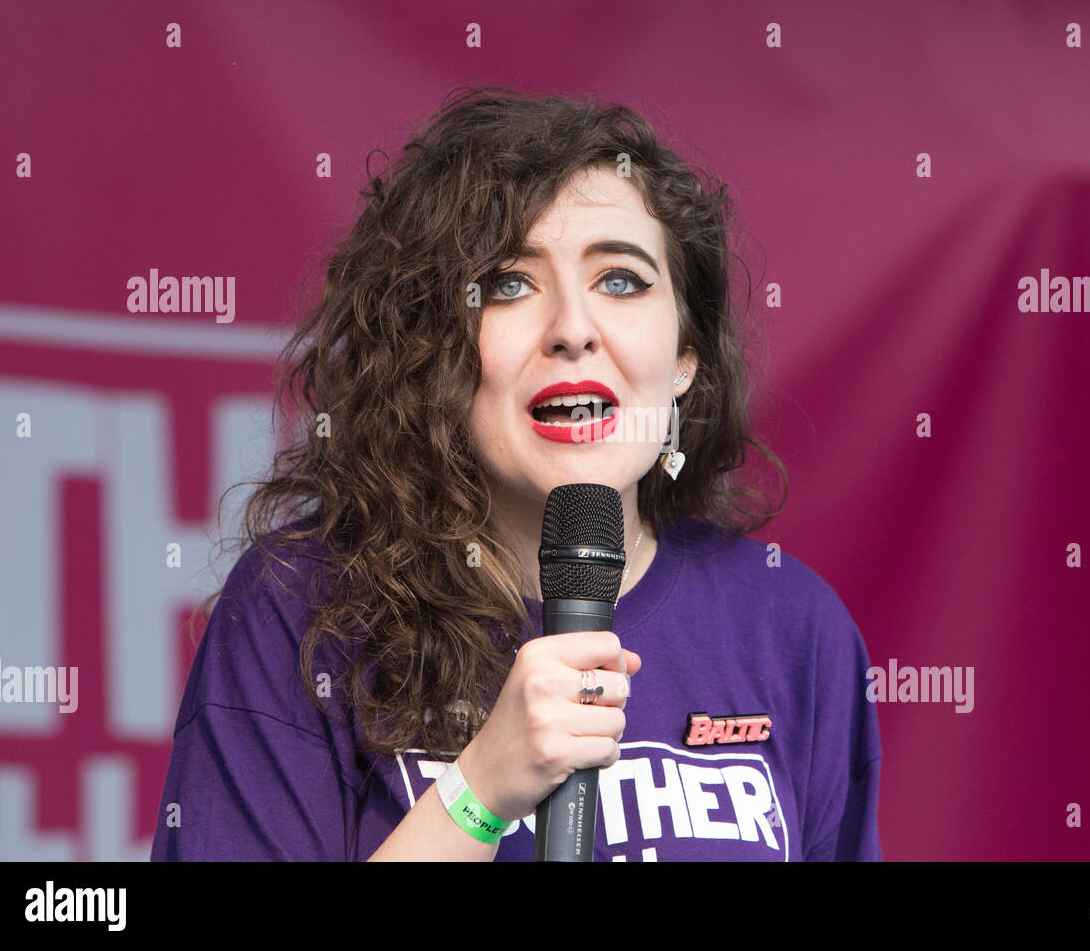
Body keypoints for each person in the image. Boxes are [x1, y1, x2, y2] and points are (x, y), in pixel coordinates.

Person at [150, 86, 882, 862]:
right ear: (434, 355)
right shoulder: (301, 607)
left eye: (622, 280)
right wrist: (480, 793)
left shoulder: (790, 626)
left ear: (684, 360)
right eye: (509, 283)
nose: (571, 328)